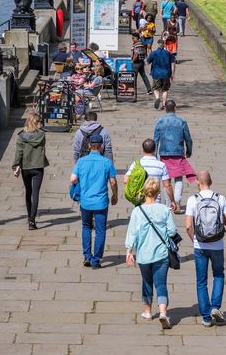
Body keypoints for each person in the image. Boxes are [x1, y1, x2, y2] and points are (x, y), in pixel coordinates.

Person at [125, 178, 178, 328]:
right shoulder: (163, 209)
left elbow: (132, 233)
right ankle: (162, 312)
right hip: (161, 253)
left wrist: (129, 251)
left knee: (146, 281)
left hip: (143, 254)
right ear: (157, 193)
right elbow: (172, 230)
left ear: (144, 192)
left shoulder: (137, 211)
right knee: (161, 283)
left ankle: (147, 311)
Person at [185, 171, 226, 327]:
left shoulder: (193, 200)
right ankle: (215, 307)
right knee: (218, 275)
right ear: (211, 182)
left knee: (201, 281)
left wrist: (194, 239)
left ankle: (206, 318)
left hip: (200, 246)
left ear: (198, 183)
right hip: (217, 244)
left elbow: (187, 226)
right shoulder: (220, 198)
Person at [71, 134, 118, 268]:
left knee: (86, 227)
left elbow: (73, 179)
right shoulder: (107, 162)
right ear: (102, 146)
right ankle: (96, 260)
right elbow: (113, 181)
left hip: (85, 201)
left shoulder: (81, 161)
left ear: (89, 145)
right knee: (100, 230)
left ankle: (87, 255)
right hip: (101, 202)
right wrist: (115, 195)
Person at [154, 100, 195, 208]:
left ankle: (169, 203)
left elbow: (156, 139)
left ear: (165, 108)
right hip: (178, 152)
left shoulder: (160, 121)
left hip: (164, 153)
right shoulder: (181, 121)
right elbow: (188, 139)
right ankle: (177, 199)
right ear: (175, 108)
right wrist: (189, 151)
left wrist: (155, 155)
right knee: (178, 178)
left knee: (166, 180)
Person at [12, 113, 49, 230]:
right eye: (40, 121)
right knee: (36, 193)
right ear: (37, 123)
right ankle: (32, 221)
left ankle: (29, 216)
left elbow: (18, 153)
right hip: (38, 167)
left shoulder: (21, 136)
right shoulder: (42, 135)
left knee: (28, 192)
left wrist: (15, 166)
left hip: (26, 168)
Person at [123, 138, 178, 211]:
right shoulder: (161, 165)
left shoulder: (136, 164)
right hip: (155, 201)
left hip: (140, 201)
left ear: (143, 150)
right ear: (155, 150)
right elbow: (167, 186)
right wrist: (172, 201)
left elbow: (125, 180)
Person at [147, 39, 175, 109]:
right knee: (165, 90)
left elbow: (147, 62)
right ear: (164, 44)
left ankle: (157, 98)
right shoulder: (168, 53)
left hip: (156, 74)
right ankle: (164, 104)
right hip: (166, 74)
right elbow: (173, 64)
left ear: (158, 44)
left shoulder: (154, 53)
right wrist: (172, 74)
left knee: (155, 88)